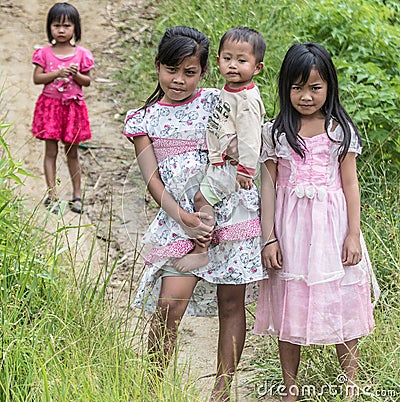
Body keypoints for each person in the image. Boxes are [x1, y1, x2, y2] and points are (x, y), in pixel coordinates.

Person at [123, 26, 267, 402]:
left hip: (231, 212)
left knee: (231, 303)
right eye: (172, 69)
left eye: (190, 72)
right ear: (157, 66)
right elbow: (152, 179)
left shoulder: (216, 101)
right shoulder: (144, 119)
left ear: (204, 72)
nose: (179, 80)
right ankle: (152, 386)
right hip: (180, 220)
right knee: (170, 304)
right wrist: (182, 217)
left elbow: (245, 134)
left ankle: (222, 391)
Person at [253, 42, 380, 401]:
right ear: (284, 88)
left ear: (329, 87)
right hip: (290, 232)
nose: (306, 96)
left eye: (315, 87)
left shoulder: (340, 130)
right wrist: (269, 237)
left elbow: (350, 184)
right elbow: (269, 188)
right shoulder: (275, 132)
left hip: (332, 229)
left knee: (341, 301)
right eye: (297, 88)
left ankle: (350, 385)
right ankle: (290, 389)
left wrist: (353, 235)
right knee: (290, 302)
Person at [173, 26, 266, 272]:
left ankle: (202, 250)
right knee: (203, 198)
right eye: (227, 59)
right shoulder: (230, 90)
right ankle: (206, 243)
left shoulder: (246, 100)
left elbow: (250, 138)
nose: (233, 65)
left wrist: (246, 170)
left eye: (242, 60)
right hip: (222, 161)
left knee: (201, 198)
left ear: (257, 67)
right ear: (218, 61)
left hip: (232, 166)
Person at [32, 2, 94, 214]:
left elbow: (87, 82)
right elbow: (37, 78)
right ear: (49, 27)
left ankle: (77, 195)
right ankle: (52, 195)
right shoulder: (44, 53)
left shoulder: (82, 54)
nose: (61, 30)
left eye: (66, 25)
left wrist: (75, 74)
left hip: (73, 109)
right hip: (50, 107)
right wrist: (58, 74)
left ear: (75, 28)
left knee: (72, 153)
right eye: (56, 25)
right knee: (50, 152)